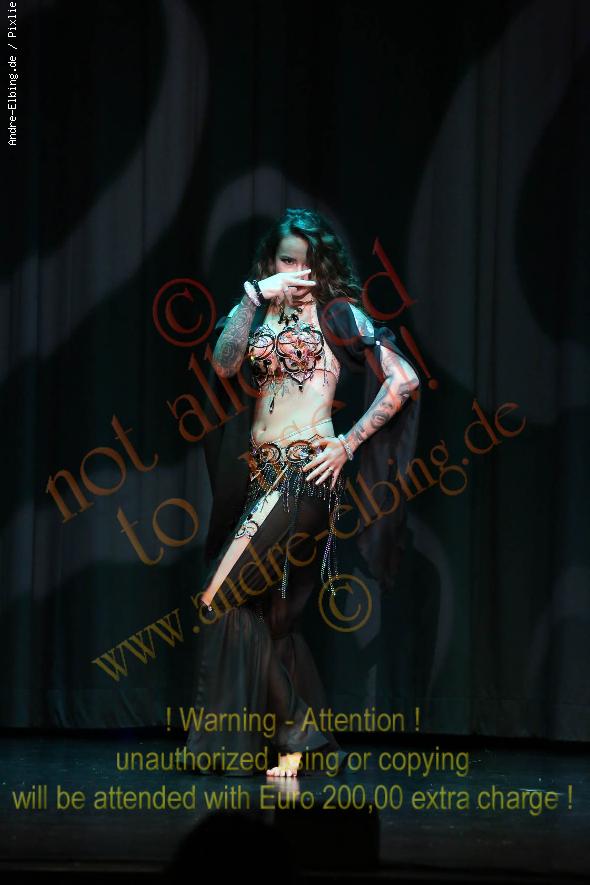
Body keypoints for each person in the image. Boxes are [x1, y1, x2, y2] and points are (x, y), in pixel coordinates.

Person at [185, 208, 421, 777]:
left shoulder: (337, 313)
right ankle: (292, 744)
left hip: (304, 474)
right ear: (270, 262)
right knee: (268, 617)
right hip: (260, 477)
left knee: (217, 597)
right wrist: (252, 296)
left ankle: (300, 734)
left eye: (306, 264)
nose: (297, 273)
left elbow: (404, 379)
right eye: (287, 261)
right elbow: (224, 365)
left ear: (322, 269)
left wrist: (347, 443)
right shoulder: (254, 313)